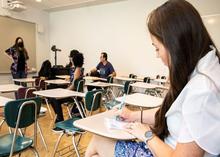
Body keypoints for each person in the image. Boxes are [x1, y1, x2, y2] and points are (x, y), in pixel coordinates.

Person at [85, 0, 220, 157]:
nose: (157, 55)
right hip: (165, 146)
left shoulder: (202, 89)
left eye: (157, 48)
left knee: (98, 141)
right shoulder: (204, 70)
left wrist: (147, 135)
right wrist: (132, 115)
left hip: (164, 150)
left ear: (174, 44)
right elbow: (170, 113)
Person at [50, 51, 84, 132]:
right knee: (53, 99)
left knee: (55, 99)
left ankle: (60, 122)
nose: (71, 59)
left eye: (72, 58)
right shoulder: (79, 69)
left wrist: (64, 91)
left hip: (74, 95)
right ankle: (59, 119)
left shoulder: (77, 70)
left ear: (75, 60)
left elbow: (73, 86)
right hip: (75, 94)